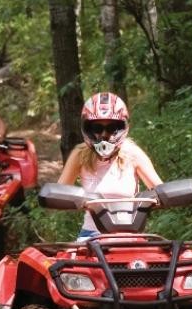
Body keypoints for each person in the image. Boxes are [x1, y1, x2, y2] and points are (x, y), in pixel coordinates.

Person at [58, 91, 161, 238]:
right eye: (97, 128)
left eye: (112, 128)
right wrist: (77, 198)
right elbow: (59, 192)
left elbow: (161, 191)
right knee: (67, 261)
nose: (104, 134)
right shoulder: (79, 154)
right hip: (91, 235)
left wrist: (156, 199)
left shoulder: (133, 154)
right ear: (87, 128)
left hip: (130, 237)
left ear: (121, 127)